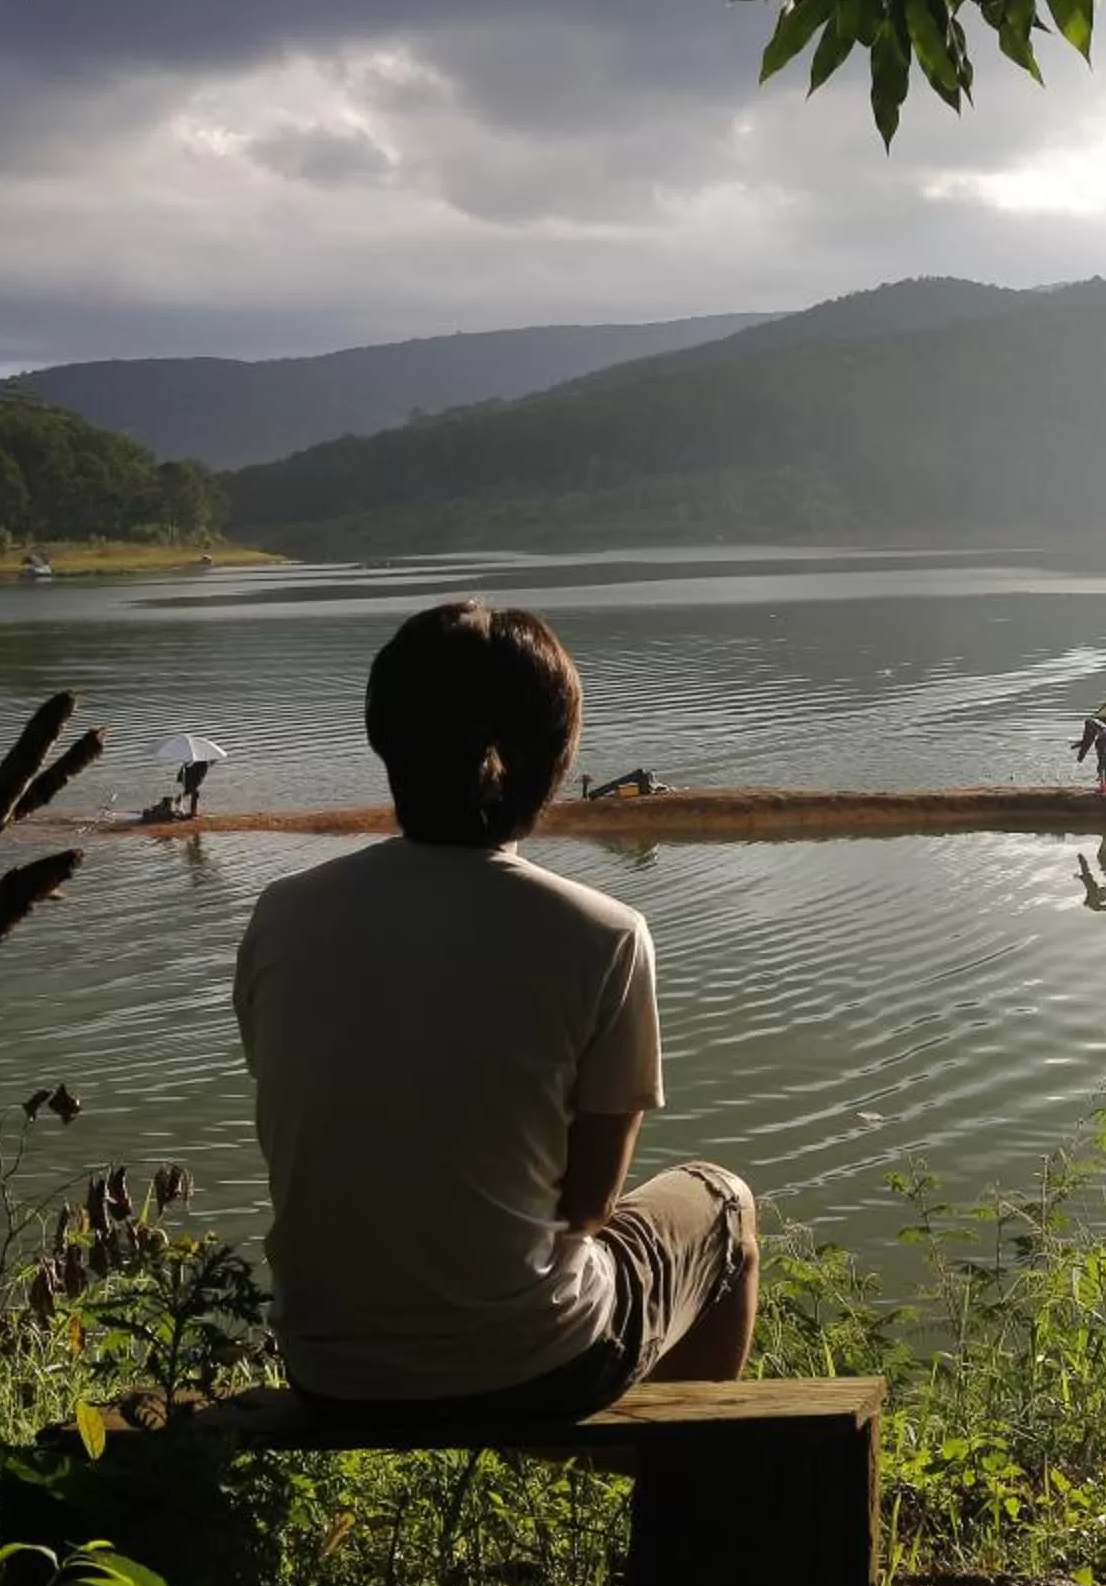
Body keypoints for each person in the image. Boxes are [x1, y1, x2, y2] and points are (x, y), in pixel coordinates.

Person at [234, 602, 758, 1420]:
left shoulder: (282, 914)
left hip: (329, 1370)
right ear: (558, 760)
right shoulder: (605, 934)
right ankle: (679, 1473)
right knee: (723, 1201)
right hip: (536, 1367)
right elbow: (587, 1207)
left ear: (384, 740)